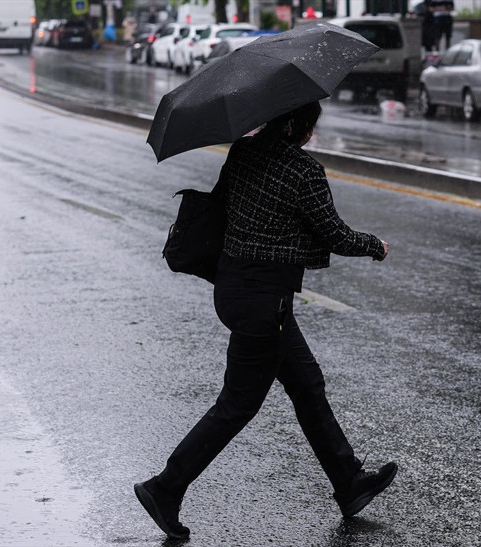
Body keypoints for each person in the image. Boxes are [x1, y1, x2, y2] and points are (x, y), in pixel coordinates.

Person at [134, 101, 398, 541]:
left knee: (308, 386)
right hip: (265, 303)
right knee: (237, 404)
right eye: (311, 125)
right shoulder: (303, 171)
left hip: (235, 288)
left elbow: (228, 206)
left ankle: (349, 483)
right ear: (298, 124)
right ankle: (166, 487)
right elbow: (334, 233)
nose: (313, 133)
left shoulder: (244, 150)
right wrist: (375, 245)